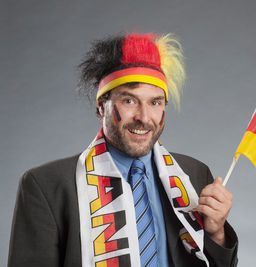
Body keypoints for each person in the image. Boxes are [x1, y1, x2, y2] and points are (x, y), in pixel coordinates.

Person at [8, 33, 238, 267]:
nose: (144, 118)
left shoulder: (194, 175)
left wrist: (216, 234)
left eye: (155, 102)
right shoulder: (46, 186)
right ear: (101, 107)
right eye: (129, 101)